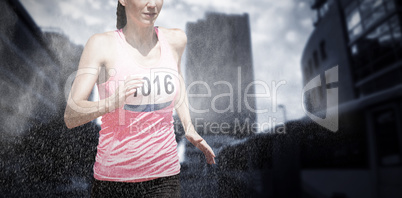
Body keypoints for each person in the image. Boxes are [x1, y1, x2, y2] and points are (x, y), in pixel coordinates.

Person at [63, 0, 216, 197]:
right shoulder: (101, 45)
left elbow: (177, 78)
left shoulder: (176, 40)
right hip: (113, 181)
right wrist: (111, 103)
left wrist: (189, 127)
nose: (152, 4)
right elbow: (71, 115)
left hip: (165, 177)